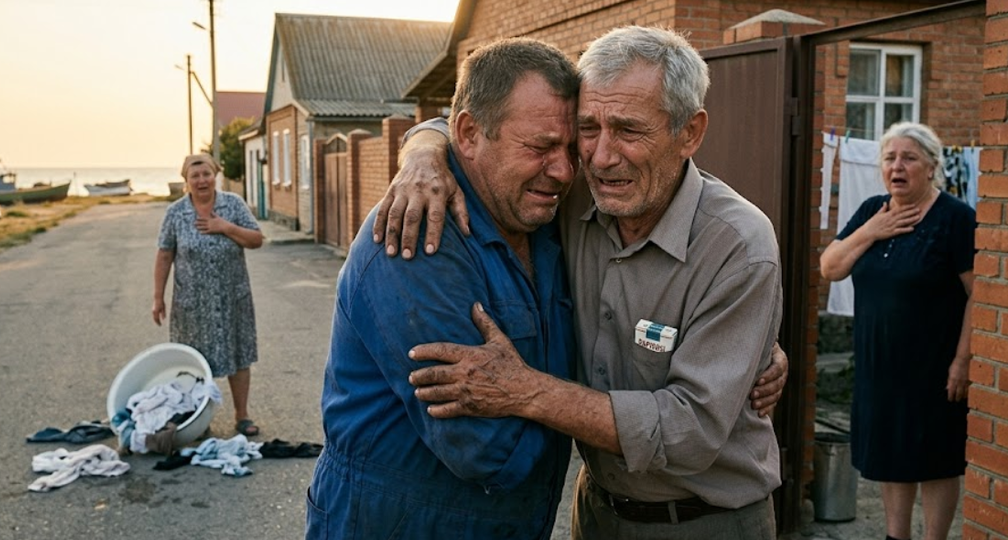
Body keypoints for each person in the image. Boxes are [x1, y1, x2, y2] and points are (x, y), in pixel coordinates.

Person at [379, 26, 785, 538]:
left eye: (629, 130)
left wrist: (526, 393)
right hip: (593, 512)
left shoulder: (739, 246)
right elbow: (481, 124)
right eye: (587, 127)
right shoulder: (573, 197)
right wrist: (422, 150)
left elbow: (689, 431)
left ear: (690, 132)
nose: (598, 157)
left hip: (706, 522)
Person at [305, 38, 582, 540]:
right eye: (540, 147)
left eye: (571, 148)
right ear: (470, 134)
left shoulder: (546, 224)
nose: (563, 170)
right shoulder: (414, 233)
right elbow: (486, 450)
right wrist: (612, 416)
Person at [820, 122, 974, 540]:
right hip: (878, 365)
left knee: (935, 457)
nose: (897, 166)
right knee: (890, 452)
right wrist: (873, 231)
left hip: (934, 365)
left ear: (931, 166)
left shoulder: (956, 218)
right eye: (889, 158)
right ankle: (896, 536)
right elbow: (830, 268)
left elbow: (978, 295)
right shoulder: (873, 210)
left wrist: (963, 361)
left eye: (908, 158)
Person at [152, 153, 265, 437]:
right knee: (193, 362)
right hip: (192, 304)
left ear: (216, 175)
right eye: (195, 176)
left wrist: (224, 227)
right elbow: (164, 255)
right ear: (186, 181)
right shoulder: (175, 213)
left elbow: (256, 240)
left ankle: (242, 415)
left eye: (207, 174)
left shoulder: (233, 205)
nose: (202, 180)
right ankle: (197, 419)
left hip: (232, 299)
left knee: (239, 357)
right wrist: (158, 298)